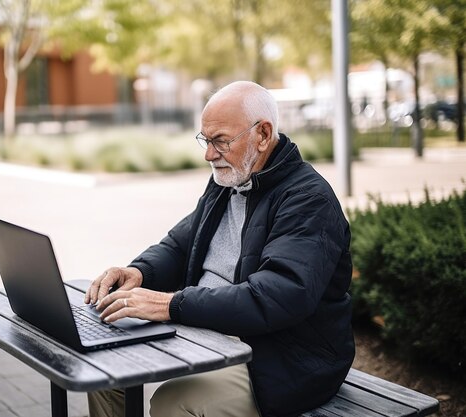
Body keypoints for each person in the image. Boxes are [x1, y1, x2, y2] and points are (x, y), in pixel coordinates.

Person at [84, 81, 355, 417]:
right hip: (205, 330)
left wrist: (171, 304)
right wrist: (139, 272)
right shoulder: (228, 180)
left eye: (221, 141)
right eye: (206, 140)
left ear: (263, 134)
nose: (209, 154)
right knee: (106, 375)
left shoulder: (308, 200)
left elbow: (278, 296)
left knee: (175, 404)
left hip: (281, 358)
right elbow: (182, 243)